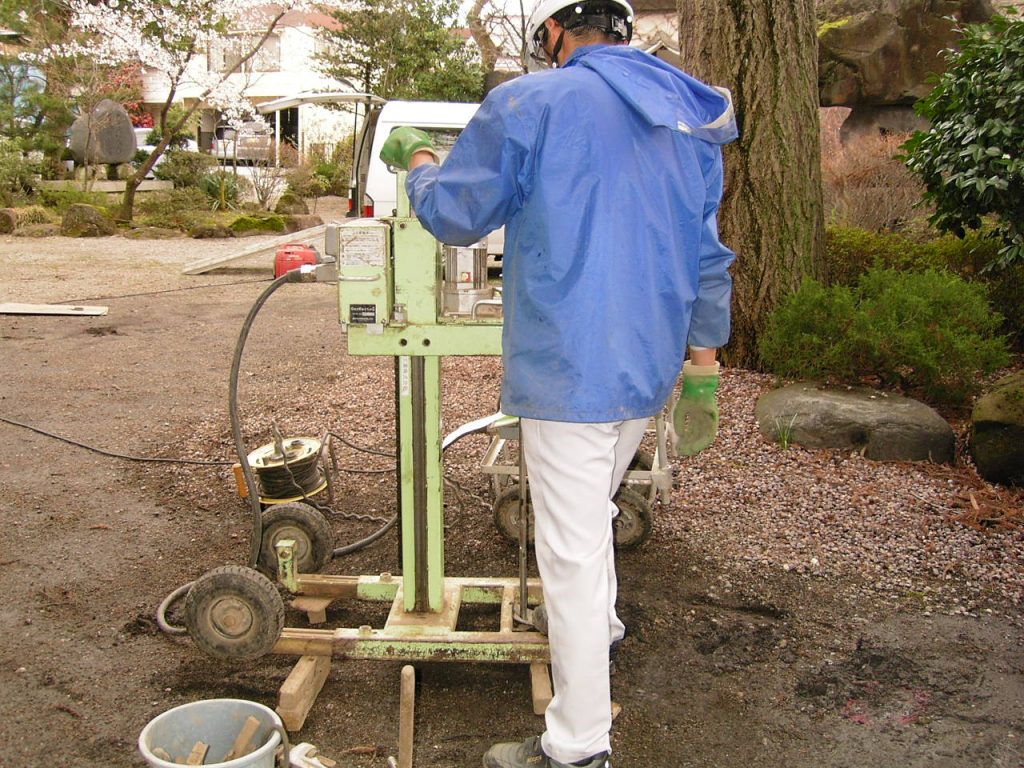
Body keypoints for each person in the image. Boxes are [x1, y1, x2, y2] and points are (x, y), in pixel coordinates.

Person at [380, 1, 737, 765]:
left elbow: (454, 215)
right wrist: (704, 370)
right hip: (648, 365)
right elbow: (708, 257)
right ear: (622, 27)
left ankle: (577, 746)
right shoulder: (686, 116)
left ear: (552, 33)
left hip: (571, 367)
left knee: (569, 550)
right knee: (593, 515)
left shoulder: (529, 101)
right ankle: (599, 630)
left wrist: (416, 161)